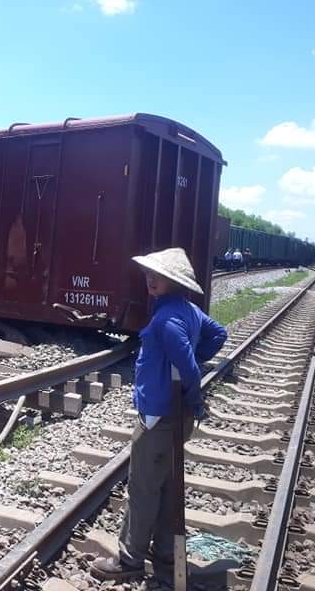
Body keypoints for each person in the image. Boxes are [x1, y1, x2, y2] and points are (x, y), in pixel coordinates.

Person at [92, 248, 227, 581]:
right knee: (167, 486)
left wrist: (191, 396)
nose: (151, 279)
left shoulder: (167, 321)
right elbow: (218, 334)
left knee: (143, 489)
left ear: (174, 282)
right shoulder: (189, 310)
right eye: (150, 274)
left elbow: (191, 371)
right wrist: (185, 383)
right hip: (174, 416)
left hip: (159, 417)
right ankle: (165, 553)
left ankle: (129, 560)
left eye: (159, 276)